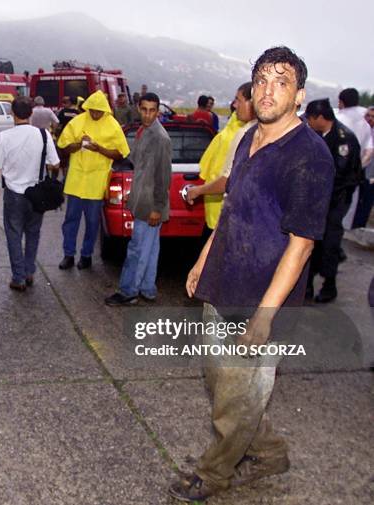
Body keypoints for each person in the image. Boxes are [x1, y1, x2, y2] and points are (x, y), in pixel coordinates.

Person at [169, 46, 334, 502]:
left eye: (281, 82)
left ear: (299, 95)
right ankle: (270, 452)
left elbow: (301, 246)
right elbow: (231, 212)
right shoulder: (246, 137)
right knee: (222, 385)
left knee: (235, 394)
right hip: (223, 282)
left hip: (263, 299)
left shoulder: (309, 156)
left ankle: (215, 472)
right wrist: (203, 261)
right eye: (261, 79)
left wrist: (265, 315)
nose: (268, 90)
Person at [104, 93, 172, 306]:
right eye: (144, 109)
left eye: (153, 110)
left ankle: (128, 291)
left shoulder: (160, 138)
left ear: (158, 111)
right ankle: (147, 289)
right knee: (150, 250)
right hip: (142, 201)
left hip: (150, 205)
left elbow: (163, 177)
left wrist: (157, 208)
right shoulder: (143, 131)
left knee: (137, 249)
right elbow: (137, 162)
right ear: (138, 108)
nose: (148, 114)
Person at [0, 96, 60, 291]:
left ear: (12, 113)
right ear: (31, 113)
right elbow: (55, 164)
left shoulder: (4, 138)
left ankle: (18, 278)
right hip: (37, 195)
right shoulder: (44, 135)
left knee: (13, 235)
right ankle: (29, 272)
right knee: (33, 234)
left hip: (14, 195)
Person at [57, 90, 130, 270]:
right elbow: (63, 147)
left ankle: (86, 255)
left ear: (105, 110)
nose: (95, 114)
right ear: (87, 108)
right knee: (70, 219)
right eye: (92, 111)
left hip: (96, 181)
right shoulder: (78, 121)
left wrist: (99, 149)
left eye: (99, 111)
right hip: (76, 179)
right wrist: (77, 145)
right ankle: (68, 255)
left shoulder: (113, 125)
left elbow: (121, 153)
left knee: (92, 222)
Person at [304, 99, 362, 303]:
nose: (308, 122)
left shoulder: (343, 139)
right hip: (319, 201)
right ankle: (307, 285)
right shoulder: (317, 135)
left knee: (329, 242)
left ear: (320, 118)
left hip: (336, 200)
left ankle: (329, 286)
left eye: (310, 119)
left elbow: (339, 175)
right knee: (312, 242)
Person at [186, 82, 257, 235]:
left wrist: (198, 190)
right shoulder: (267, 131)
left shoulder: (244, 134)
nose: (234, 105)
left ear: (252, 103)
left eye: (238, 100)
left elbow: (228, 180)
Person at [336, 88, 374, 228]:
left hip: (336, 174)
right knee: (344, 212)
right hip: (352, 175)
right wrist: (357, 168)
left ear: (341, 102)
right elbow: (369, 151)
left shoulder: (338, 120)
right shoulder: (364, 124)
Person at [353, 105, 374, 227]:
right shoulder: (360, 130)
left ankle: (359, 227)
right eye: (368, 115)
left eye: (373, 117)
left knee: (366, 202)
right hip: (358, 172)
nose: (370, 118)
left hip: (370, 175)